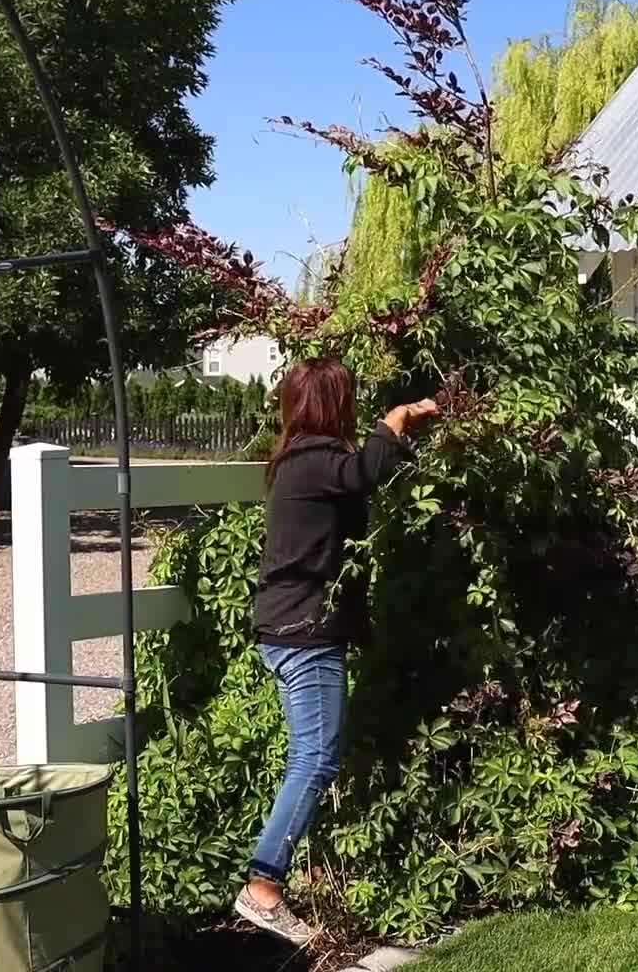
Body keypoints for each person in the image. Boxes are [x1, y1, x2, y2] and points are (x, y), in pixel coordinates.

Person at [233, 357, 439, 945]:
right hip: (303, 632)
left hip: (295, 629)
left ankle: (270, 881)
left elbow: (360, 476)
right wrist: (393, 421)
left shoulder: (304, 460)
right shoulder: (313, 460)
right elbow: (366, 471)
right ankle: (263, 886)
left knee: (313, 756)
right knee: (315, 759)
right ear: (332, 403)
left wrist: (397, 436)